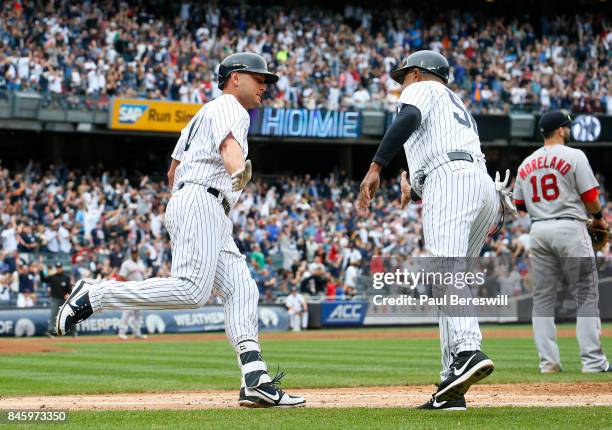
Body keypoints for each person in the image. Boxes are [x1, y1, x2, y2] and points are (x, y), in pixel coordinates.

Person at [55, 52, 305, 408]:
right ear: (235, 78)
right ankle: (96, 295)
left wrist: (189, 203)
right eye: (258, 77)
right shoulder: (230, 107)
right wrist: (236, 171)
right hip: (204, 201)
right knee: (191, 291)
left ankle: (255, 379)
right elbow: (229, 147)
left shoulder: (199, 116)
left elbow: (172, 171)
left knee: (242, 289)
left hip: (203, 205)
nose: (265, 84)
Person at [358, 50, 507, 410]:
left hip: (453, 180)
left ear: (419, 73)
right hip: (480, 186)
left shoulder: (424, 89)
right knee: (452, 282)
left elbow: (407, 117)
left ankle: (467, 351)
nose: (403, 82)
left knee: (445, 270)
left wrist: (377, 166)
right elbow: (442, 151)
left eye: (405, 74)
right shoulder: (456, 105)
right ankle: (450, 385)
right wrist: (416, 188)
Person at [513, 110, 610, 374]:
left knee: (543, 298)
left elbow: (520, 205)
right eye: (567, 127)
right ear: (561, 130)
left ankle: (548, 363)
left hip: (538, 230)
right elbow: (590, 196)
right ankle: (593, 362)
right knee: (586, 294)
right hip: (570, 226)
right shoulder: (574, 155)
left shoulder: (526, 163)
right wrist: (599, 218)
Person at [117, 248, 149, 340]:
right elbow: (121, 277)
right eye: (133, 253)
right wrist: (129, 286)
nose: (134, 254)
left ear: (138, 253)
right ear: (131, 254)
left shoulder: (140, 263)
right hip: (130, 290)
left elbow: (144, 276)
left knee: (138, 312)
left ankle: (137, 332)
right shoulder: (126, 264)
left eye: (136, 252)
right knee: (128, 311)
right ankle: (121, 332)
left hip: (140, 290)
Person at [40, 261, 73, 337]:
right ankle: (50, 331)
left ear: (61, 268)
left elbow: (69, 288)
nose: (58, 269)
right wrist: (41, 271)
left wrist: (68, 293)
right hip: (55, 299)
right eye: (57, 268)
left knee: (68, 314)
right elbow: (43, 280)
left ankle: (72, 331)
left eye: (59, 267)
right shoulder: (52, 277)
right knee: (53, 315)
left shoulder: (66, 277)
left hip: (64, 300)